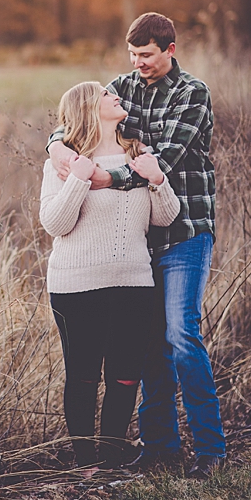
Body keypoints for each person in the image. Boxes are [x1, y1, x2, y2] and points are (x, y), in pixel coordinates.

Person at [47, 12, 225, 479]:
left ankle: (210, 449)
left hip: (184, 229)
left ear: (169, 49)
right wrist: (56, 149)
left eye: (146, 55)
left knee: (181, 336)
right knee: (148, 348)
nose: (137, 63)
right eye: (132, 55)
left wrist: (104, 178)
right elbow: (77, 115)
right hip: (139, 241)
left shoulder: (193, 94)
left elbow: (163, 158)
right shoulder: (123, 87)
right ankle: (159, 446)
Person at [40, 80, 180, 476]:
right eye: (105, 94)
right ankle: (87, 466)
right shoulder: (62, 163)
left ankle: (113, 460)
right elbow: (55, 223)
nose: (116, 96)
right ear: (87, 107)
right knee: (83, 376)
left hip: (134, 283)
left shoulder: (137, 155)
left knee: (123, 376)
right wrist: (79, 180)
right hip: (76, 286)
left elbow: (164, 217)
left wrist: (157, 179)